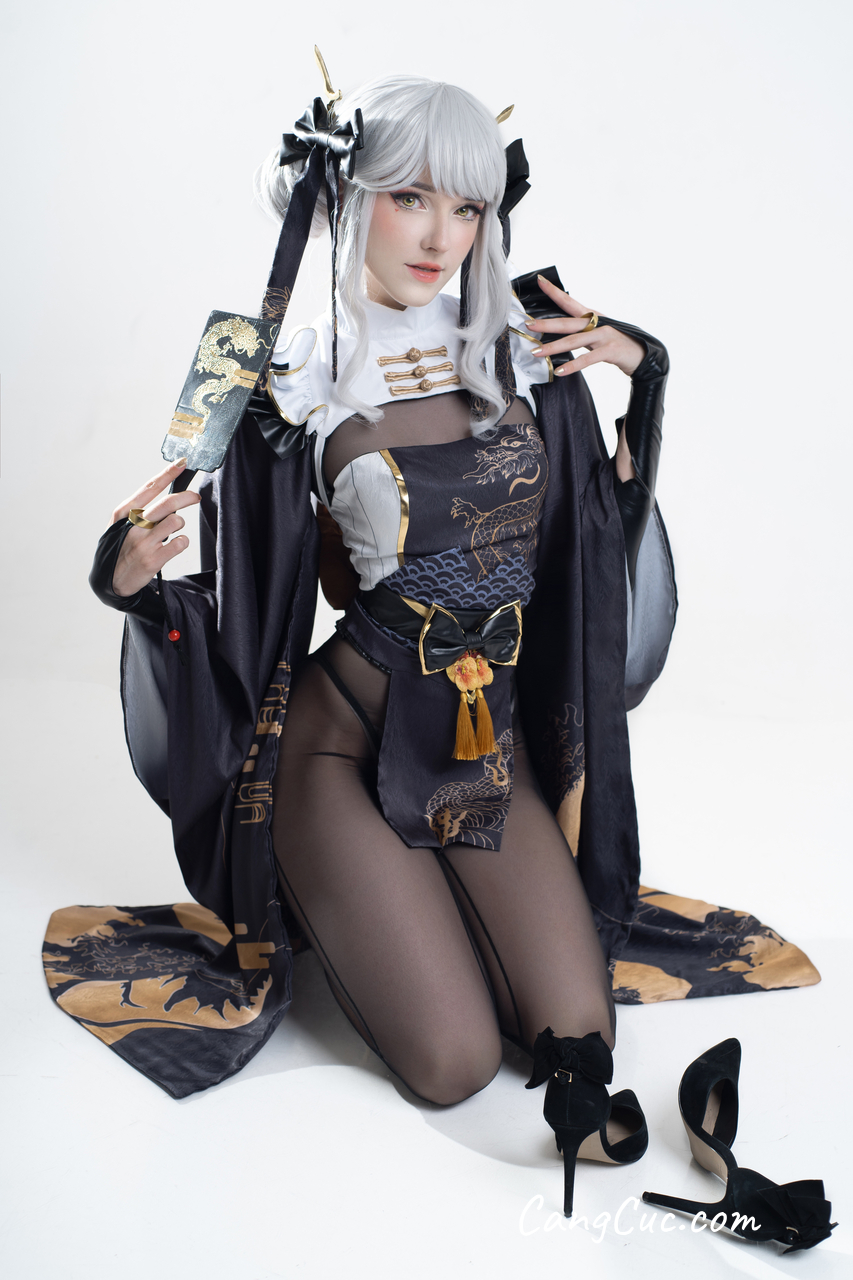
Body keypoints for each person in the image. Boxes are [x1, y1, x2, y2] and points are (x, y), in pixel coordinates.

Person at [45, 71, 820, 1218]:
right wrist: (123, 577)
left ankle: (423, 896)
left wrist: (640, 365)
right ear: (347, 195)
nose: (439, 236)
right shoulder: (294, 374)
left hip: (477, 747)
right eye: (409, 197)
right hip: (340, 748)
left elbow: (589, 534)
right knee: (454, 1063)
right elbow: (225, 575)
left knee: (578, 1030)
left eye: (466, 206)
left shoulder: (519, 347)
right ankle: (338, 882)